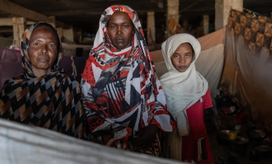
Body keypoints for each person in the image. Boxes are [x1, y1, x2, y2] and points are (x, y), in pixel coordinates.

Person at [81, 5, 176, 157]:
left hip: (145, 142)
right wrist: (120, 135)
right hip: (109, 145)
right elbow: (88, 107)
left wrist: (154, 125)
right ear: (106, 29)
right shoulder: (94, 66)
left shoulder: (143, 61)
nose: (119, 32)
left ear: (133, 29)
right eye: (113, 26)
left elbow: (158, 96)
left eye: (125, 25)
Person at [0, 22, 86, 140]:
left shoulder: (68, 85)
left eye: (51, 45)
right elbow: (2, 136)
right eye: (37, 43)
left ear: (58, 52)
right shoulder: (11, 88)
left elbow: (77, 133)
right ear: (26, 48)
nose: (44, 50)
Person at [159, 33, 214, 163]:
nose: (182, 60)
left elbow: (206, 111)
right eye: (176, 55)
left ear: (193, 56)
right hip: (175, 139)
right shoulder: (162, 85)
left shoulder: (201, 84)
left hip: (198, 138)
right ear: (168, 57)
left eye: (187, 55)